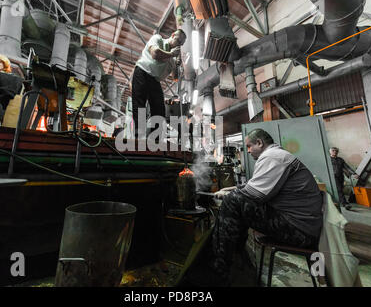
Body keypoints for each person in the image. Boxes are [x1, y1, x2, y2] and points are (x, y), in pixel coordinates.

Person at [183, 129, 324, 286]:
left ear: (260, 143)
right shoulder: (277, 155)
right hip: (301, 225)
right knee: (235, 201)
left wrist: (229, 195)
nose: (248, 151)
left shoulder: (273, 157)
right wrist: (227, 189)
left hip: (299, 231)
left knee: (232, 202)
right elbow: (250, 185)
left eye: (249, 146)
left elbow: (255, 195)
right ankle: (235, 259)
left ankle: (219, 269)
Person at [132, 29, 186, 138]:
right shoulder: (158, 39)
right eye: (178, 40)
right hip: (142, 71)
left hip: (155, 80)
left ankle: (155, 139)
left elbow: (175, 77)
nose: (178, 44)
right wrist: (171, 54)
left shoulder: (173, 57)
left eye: (181, 43)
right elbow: (155, 53)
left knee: (159, 109)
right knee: (140, 106)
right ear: (172, 35)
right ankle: (139, 138)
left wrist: (178, 63)